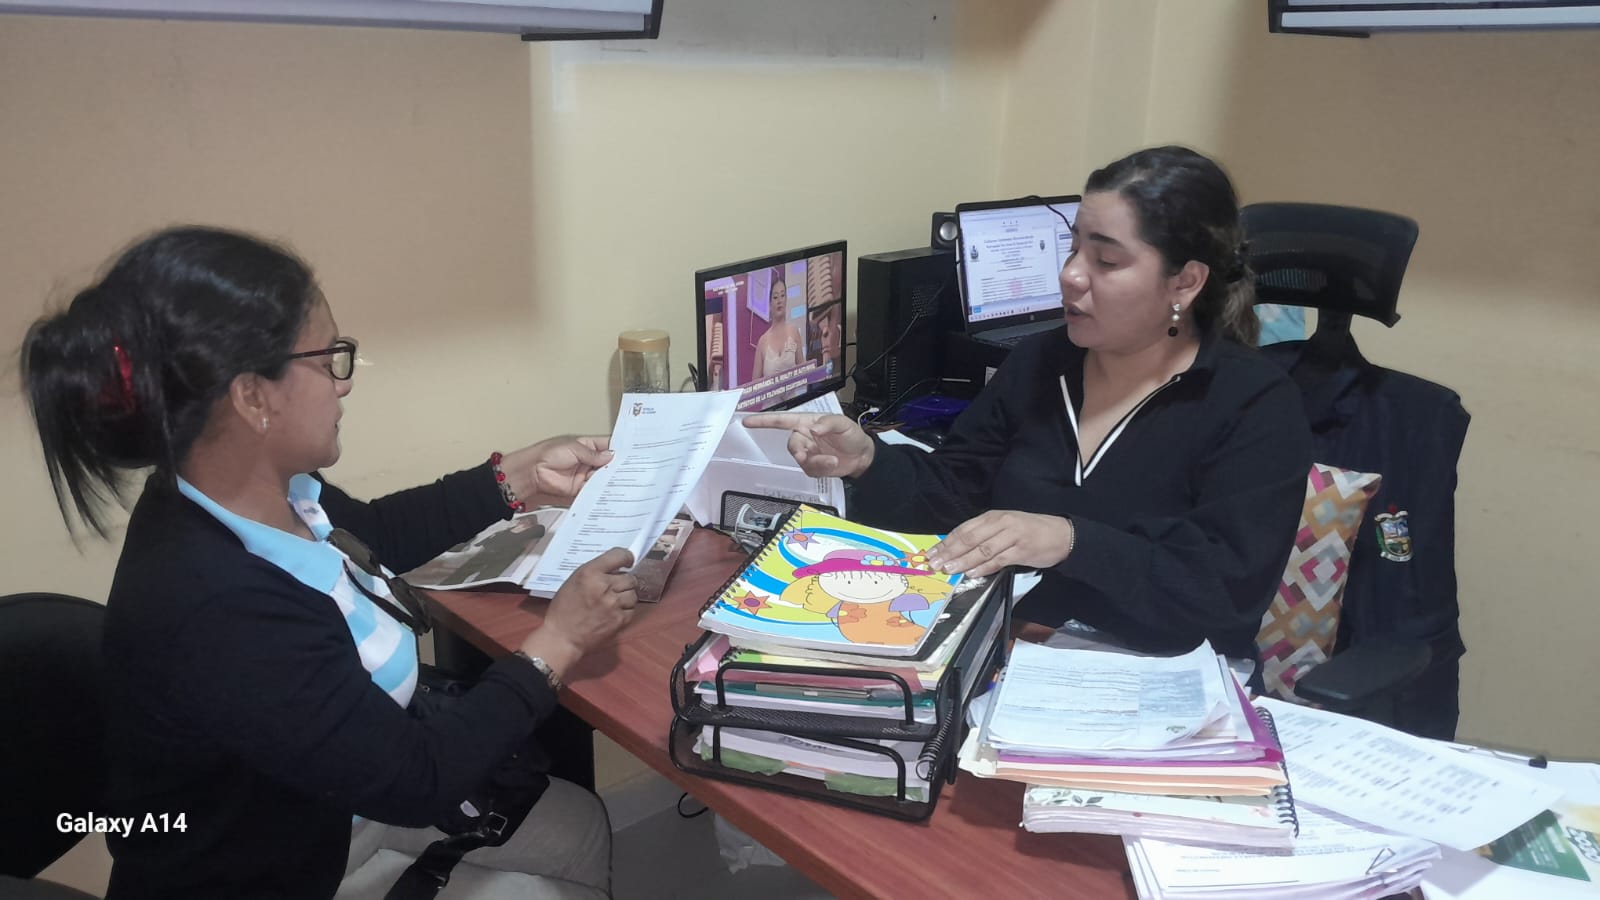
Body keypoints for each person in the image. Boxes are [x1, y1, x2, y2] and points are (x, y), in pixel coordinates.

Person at [19, 226, 634, 899]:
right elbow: (420, 779)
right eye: (329, 358)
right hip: (270, 871)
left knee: (576, 828)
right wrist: (557, 642)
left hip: (324, 805)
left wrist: (519, 477)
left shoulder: (247, 490)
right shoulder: (220, 605)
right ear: (253, 396)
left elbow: (374, 533)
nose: (344, 384)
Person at [747, 146, 1313, 670]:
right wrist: (869, 460)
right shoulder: (1042, 362)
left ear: (1185, 282)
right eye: (1073, 249)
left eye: (1106, 260)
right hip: (1011, 653)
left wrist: (1069, 541)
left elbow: (1224, 595)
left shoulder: (1253, 403)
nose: (1070, 275)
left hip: (1164, 679)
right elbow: (953, 499)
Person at [748, 268, 802, 380]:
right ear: (769, 303)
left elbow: (804, 372)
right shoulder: (762, 341)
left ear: (786, 299)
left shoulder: (794, 332)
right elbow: (754, 385)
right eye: (775, 297)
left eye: (782, 295)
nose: (779, 301)